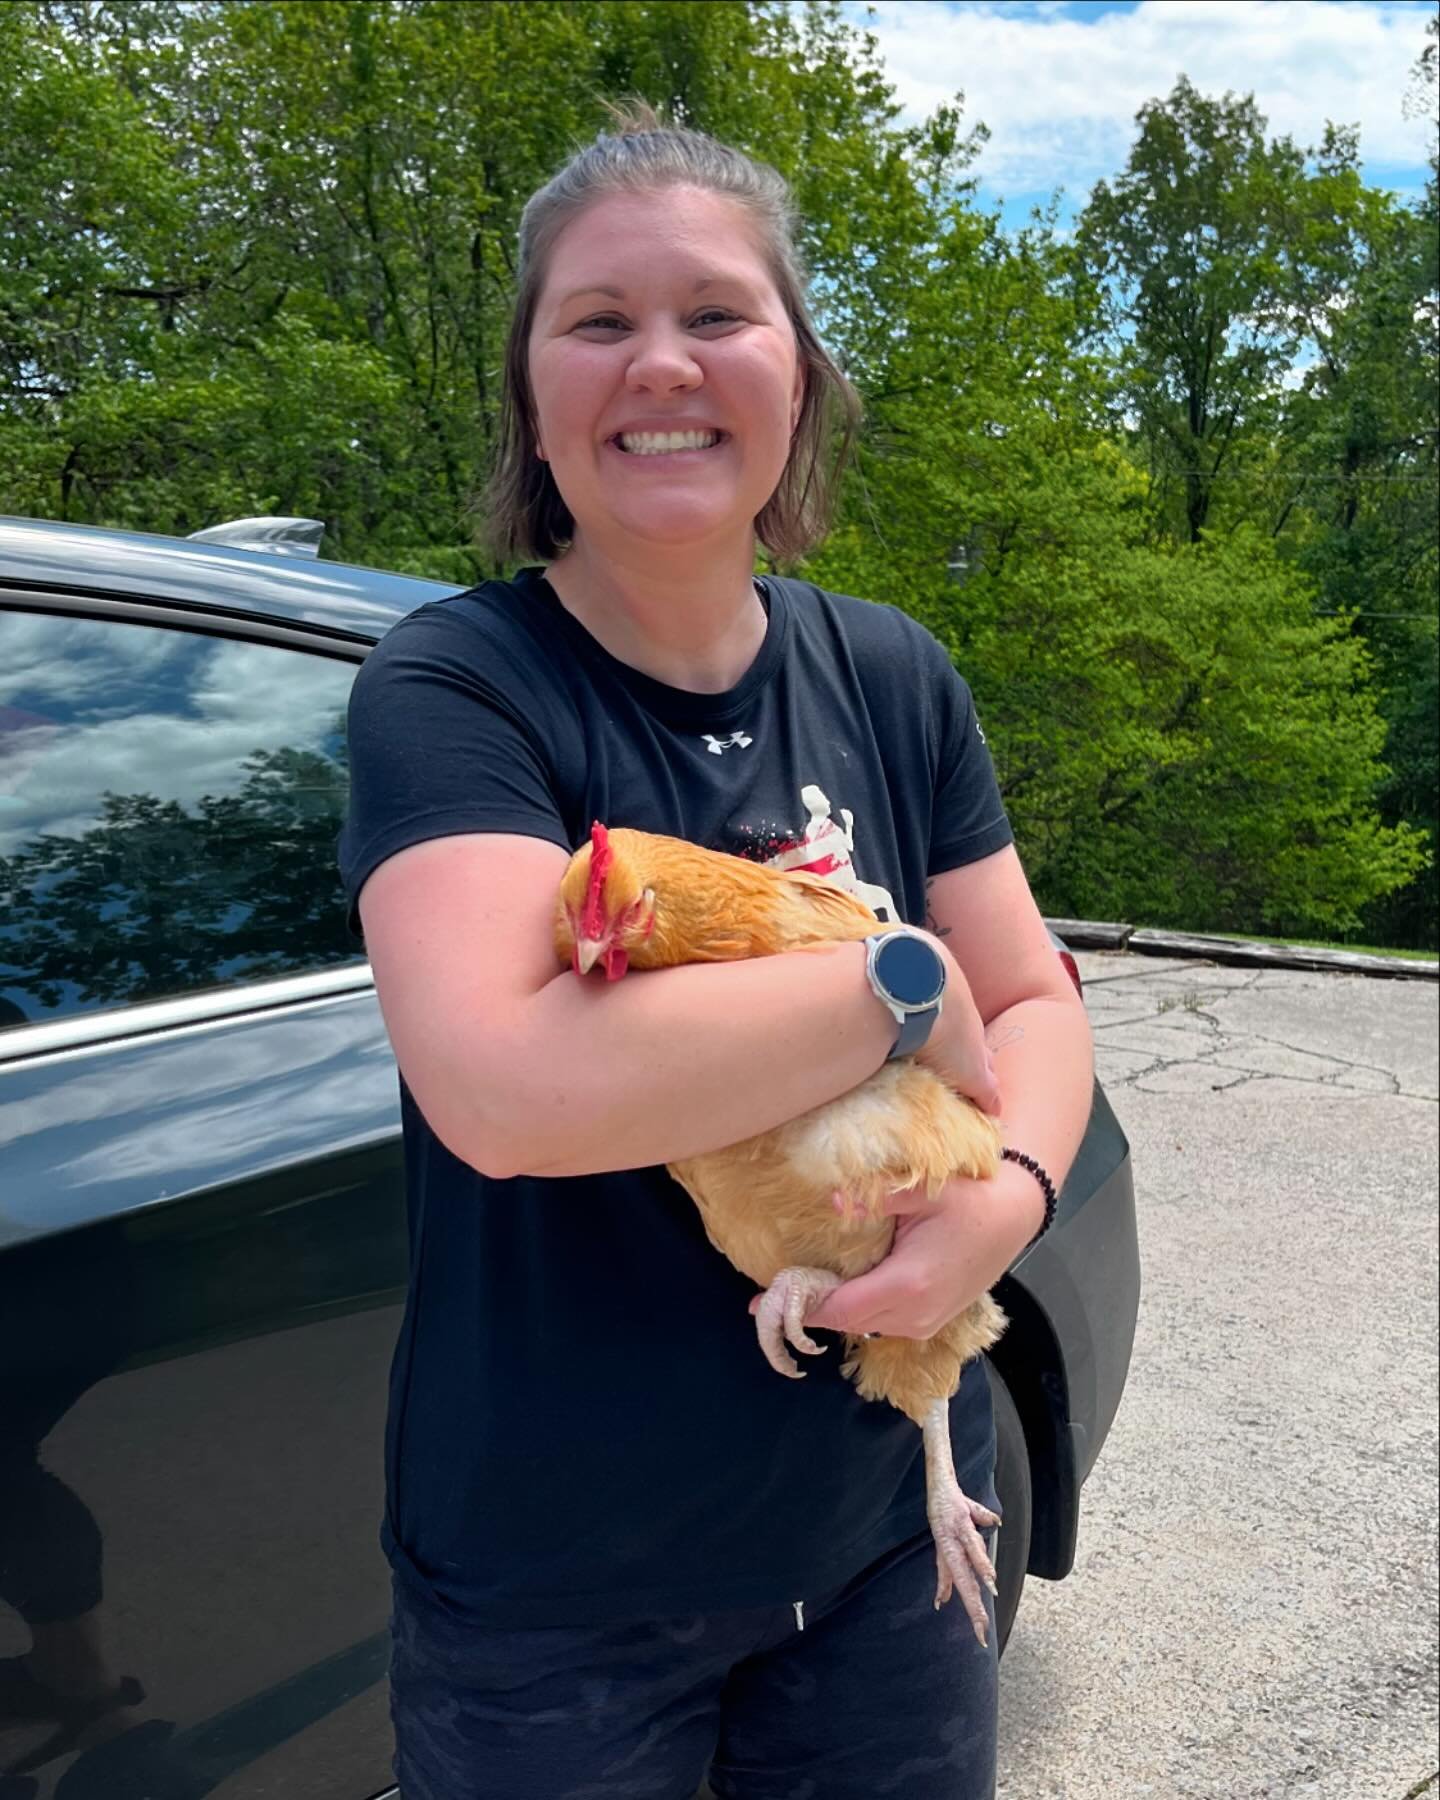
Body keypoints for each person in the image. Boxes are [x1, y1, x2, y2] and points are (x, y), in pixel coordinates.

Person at [339, 100, 1093, 1800]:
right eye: (598, 322)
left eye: (716, 316)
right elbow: (509, 1092)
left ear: (800, 373)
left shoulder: (893, 673)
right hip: (555, 1589)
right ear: (536, 399)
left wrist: (1013, 1193)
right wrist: (900, 986)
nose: (660, 364)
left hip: (891, 1534)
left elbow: (1038, 996)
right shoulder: (458, 690)